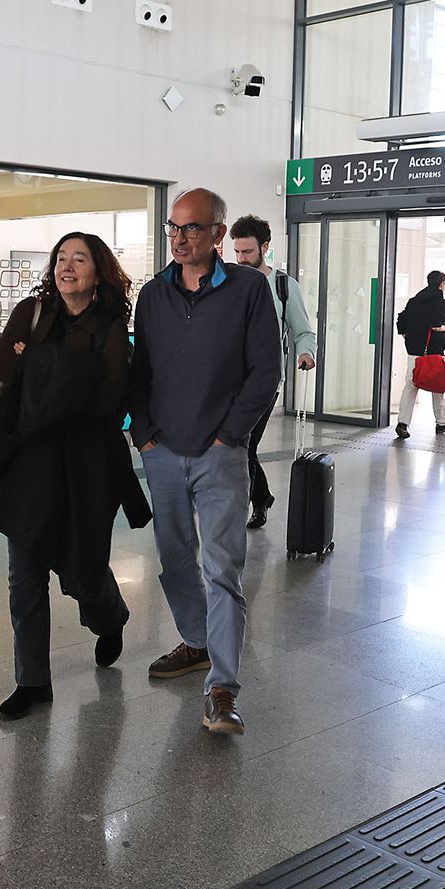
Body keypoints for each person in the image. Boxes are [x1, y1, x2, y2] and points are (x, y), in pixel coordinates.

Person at [129, 188, 279, 736]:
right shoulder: (153, 294)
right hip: (163, 452)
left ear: (218, 234)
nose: (179, 238)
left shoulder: (249, 289)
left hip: (220, 455)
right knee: (174, 562)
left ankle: (222, 687)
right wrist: (143, 434)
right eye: (173, 228)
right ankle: (195, 641)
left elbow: (266, 371)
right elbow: (138, 370)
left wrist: (228, 437)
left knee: (222, 568)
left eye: (191, 229)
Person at [0, 231, 151, 719]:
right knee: (25, 574)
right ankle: (31, 680)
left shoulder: (110, 322)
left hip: (87, 463)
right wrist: (66, 378)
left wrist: (37, 366)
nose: (67, 266)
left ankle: (111, 616)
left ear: (98, 270)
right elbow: (3, 367)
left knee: (83, 565)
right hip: (29, 459)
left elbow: (110, 398)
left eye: (79, 258)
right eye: (61, 258)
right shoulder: (32, 312)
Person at [229, 214, 315, 529]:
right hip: (228, 382)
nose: (240, 259)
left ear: (265, 247)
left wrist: (306, 352)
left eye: (247, 252)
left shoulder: (282, 285)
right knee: (238, 444)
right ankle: (261, 496)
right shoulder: (228, 282)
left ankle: (243, 508)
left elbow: (303, 330)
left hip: (264, 381)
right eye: (236, 252)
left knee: (244, 444)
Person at [395, 270, 445, 437]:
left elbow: (401, 321)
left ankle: (403, 423)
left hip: (414, 352)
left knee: (411, 385)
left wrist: (409, 337)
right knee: (438, 386)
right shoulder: (441, 303)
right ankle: (441, 423)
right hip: (433, 353)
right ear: (441, 284)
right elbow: (436, 325)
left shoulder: (414, 301)